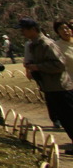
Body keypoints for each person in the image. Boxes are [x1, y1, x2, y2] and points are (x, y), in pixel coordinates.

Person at [20, 16, 73, 151]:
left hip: (60, 86)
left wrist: (37, 67)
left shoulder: (46, 44)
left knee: (69, 117)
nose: (22, 33)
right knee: (65, 118)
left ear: (33, 29)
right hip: (50, 86)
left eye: (24, 30)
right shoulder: (34, 45)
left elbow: (59, 65)